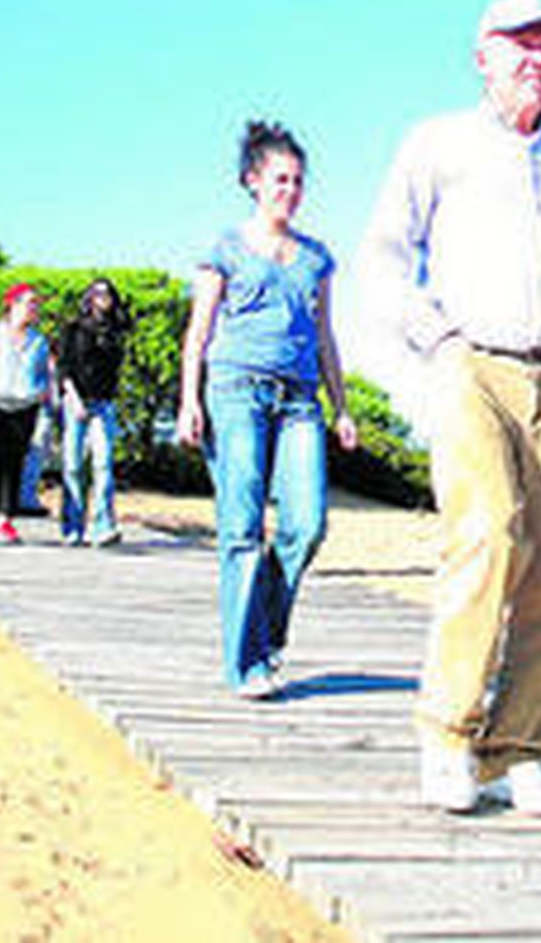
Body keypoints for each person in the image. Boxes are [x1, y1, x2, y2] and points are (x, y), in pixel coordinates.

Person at [358, 0, 541, 817]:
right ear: (482, 57)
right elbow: (383, 256)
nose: (539, 58)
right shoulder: (436, 142)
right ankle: (447, 737)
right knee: (487, 536)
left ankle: (518, 753)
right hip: (473, 364)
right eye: (521, 43)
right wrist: (437, 341)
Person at [178, 120, 359, 701]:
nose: (291, 190)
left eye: (298, 181)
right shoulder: (225, 250)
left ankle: (264, 629)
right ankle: (247, 664)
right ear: (253, 181)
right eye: (280, 179)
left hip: (300, 400)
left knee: (306, 524)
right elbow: (199, 331)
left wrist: (342, 407)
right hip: (235, 391)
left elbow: (325, 336)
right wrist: (188, 401)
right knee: (242, 527)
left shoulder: (316, 259)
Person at [0, 284, 54, 544]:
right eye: (29, 303)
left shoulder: (38, 340)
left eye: (36, 305)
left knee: (14, 463)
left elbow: (45, 372)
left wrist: (39, 393)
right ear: (13, 305)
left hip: (25, 406)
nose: (34, 309)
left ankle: (6, 519)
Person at [59, 277, 131, 547]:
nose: (103, 299)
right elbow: (64, 367)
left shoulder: (115, 332)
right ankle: (73, 527)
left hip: (103, 403)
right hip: (76, 400)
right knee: (73, 465)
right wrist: (73, 398)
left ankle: (103, 526)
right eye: (98, 294)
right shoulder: (74, 329)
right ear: (89, 298)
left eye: (108, 294)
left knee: (103, 464)